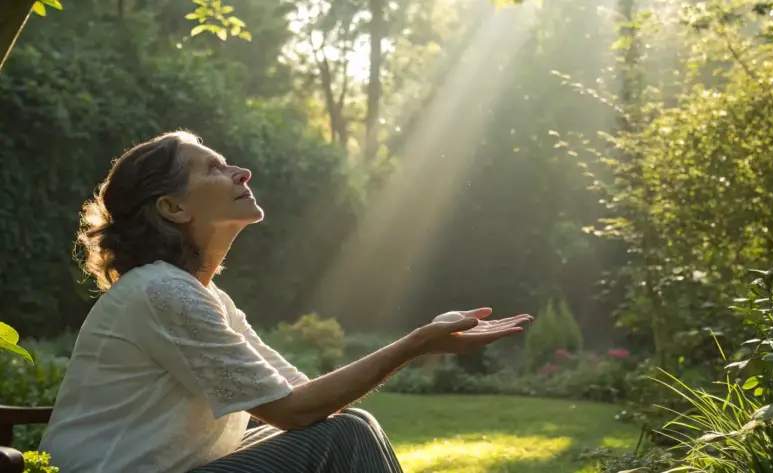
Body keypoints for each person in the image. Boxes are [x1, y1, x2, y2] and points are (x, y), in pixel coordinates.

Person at [38, 131, 532, 473]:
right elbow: (295, 413)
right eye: (214, 168)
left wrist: (421, 339)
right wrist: (418, 343)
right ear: (172, 207)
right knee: (346, 437)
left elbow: (300, 395)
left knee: (350, 423)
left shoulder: (201, 295)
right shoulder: (161, 291)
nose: (242, 172)